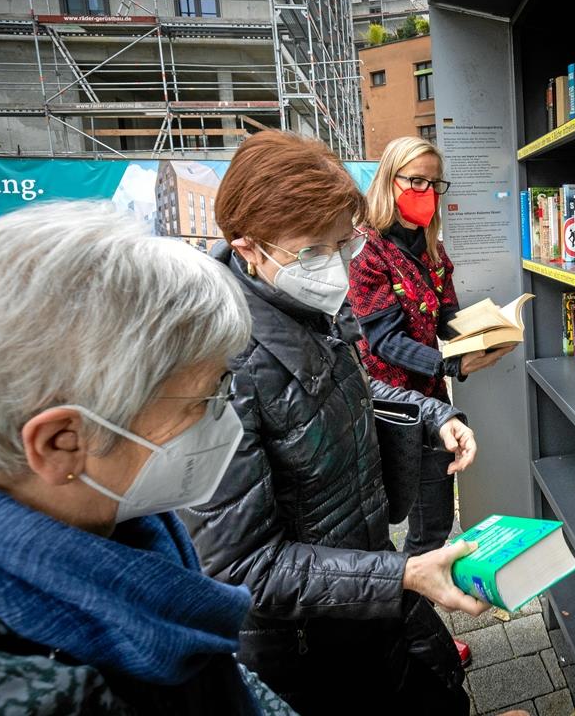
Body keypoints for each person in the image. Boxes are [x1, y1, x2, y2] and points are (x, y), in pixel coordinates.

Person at [182, 130, 489, 716]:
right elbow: (244, 566)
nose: (336, 267)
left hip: (360, 584)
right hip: (305, 642)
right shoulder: (217, 366)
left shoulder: (307, 306)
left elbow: (347, 387)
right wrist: (400, 575)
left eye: (342, 245)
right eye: (314, 251)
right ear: (249, 247)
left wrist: (430, 413)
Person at [0, 203, 293, 715]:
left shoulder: (129, 528)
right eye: (204, 398)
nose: (223, 417)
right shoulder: (20, 687)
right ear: (61, 442)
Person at [349, 136, 513, 560]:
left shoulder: (431, 246)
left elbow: (447, 319)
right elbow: (383, 342)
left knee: (436, 523)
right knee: (397, 530)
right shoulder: (367, 254)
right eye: (416, 181)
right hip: (392, 405)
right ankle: (408, 613)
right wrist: (449, 363)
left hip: (432, 397)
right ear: (389, 180)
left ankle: (419, 616)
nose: (427, 193)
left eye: (435, 183)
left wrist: (491, 331)